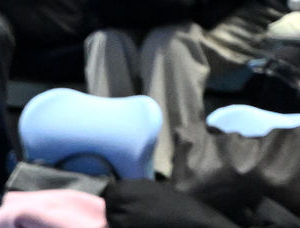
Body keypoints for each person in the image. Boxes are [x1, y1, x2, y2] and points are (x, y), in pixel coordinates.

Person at [84, 1, 288, 177]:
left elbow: (195, 9)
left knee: (171, 41)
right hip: (158, 12)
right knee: (107, 40)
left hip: (236, 10)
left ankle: (169, 168)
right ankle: (106, 163)